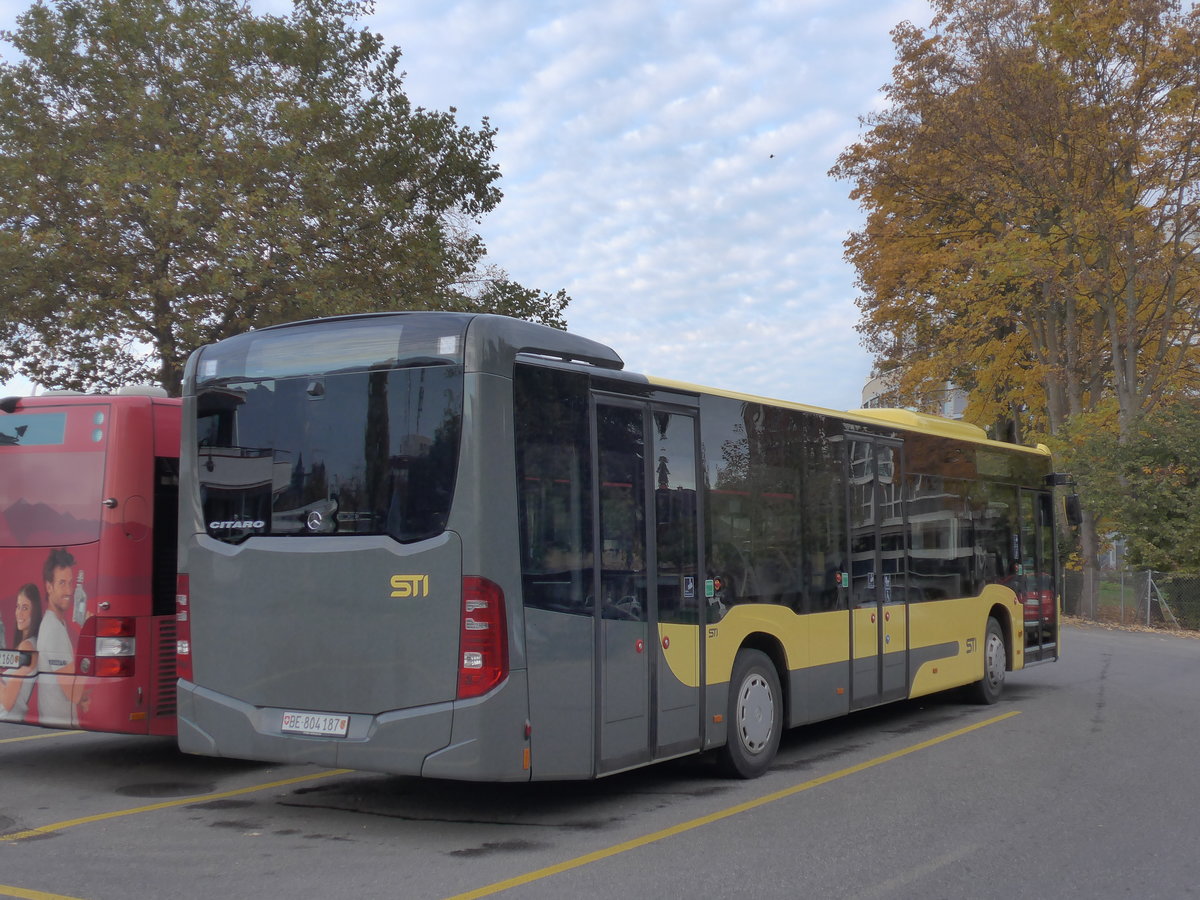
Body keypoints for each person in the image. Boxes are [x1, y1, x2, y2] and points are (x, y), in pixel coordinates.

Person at [37, 548, 82, 726]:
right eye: (62, 583)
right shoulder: (53, 630)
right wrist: (91, 639)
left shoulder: (57, 623)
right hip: (61, 726)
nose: (69, 590)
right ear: (49, 587)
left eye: (70, 583)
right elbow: (74, 694)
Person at [0, 583, 42, 721]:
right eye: (18, 606)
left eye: (25, 608)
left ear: (34, 612)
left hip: (7, 718)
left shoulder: (27, 647)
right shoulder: (29, 644)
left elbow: (7, 702)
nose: (19, 613)